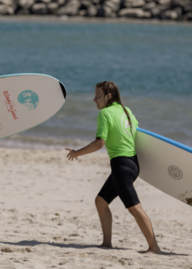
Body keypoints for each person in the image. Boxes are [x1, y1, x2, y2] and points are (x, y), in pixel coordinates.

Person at [65, 81, 161, 254]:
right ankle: (107, 243)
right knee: (101, 202)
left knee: (135, 208)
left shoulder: (105, 114)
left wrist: (76, 153)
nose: (94, 99)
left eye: (98, 95)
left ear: (109, 96)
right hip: (133, 164)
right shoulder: (126, 110)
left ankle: (154, 247)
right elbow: (137, 134)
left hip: (121, 167)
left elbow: (99, 143)